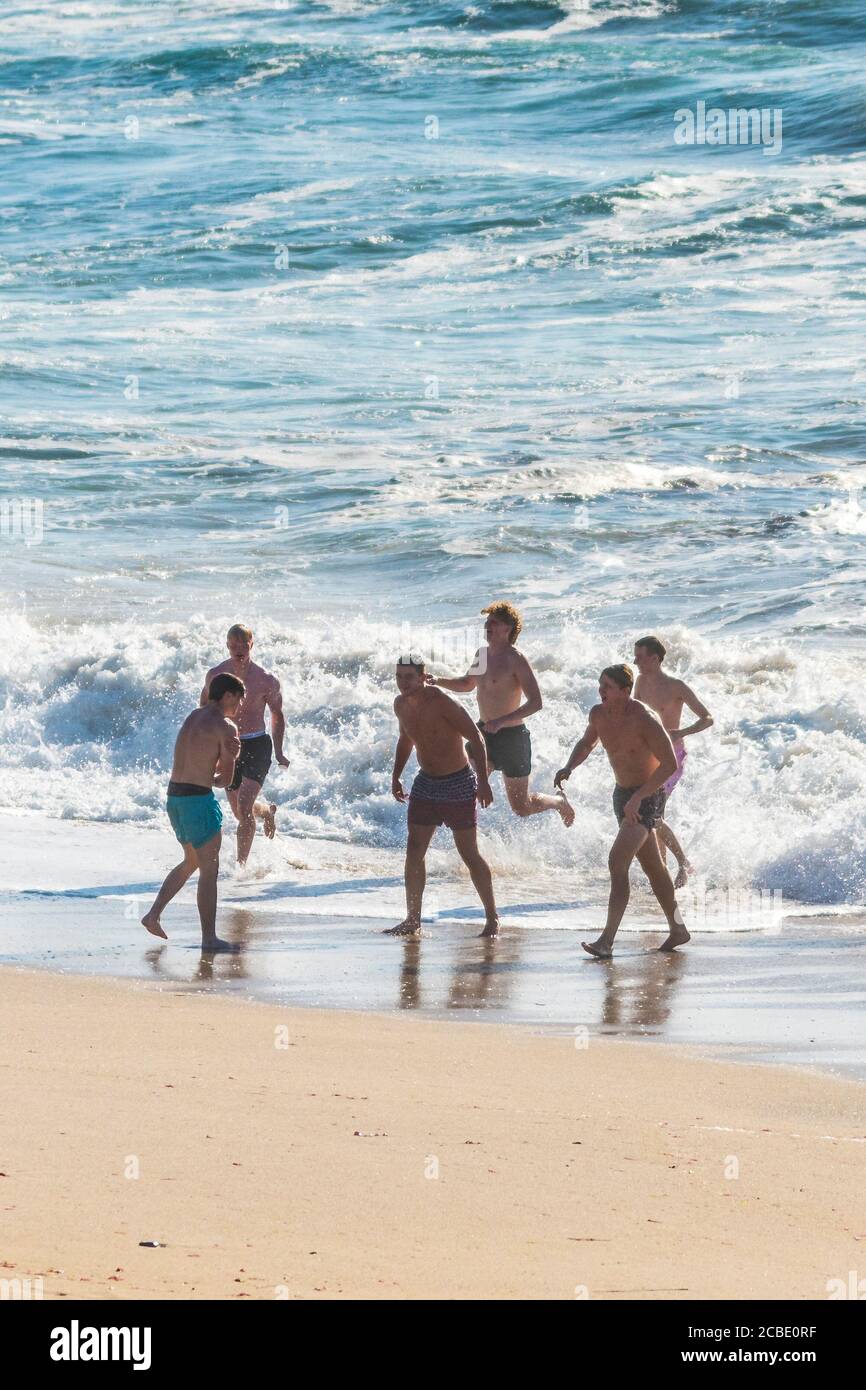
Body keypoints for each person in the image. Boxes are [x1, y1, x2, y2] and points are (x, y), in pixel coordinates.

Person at [554, 664, 690, 958]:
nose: (601, 691)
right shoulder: (598, 714)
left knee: (617, 862)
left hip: (648, 795)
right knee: (655, 868)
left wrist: (639, 798)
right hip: (622, 796)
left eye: (607, 687)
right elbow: (587, 742)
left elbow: (669, 764)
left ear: (625, 691)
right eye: (600, 685)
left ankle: (606, 941)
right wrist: (569, 766)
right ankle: (678, 929)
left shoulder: (644, 719)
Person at [428, 601, 574, 826]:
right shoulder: (482, 655)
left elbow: (536, 702)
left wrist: (501, 721)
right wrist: (438, 681)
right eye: (487, 622)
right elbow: (468, 684)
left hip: (512, 739)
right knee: (466, 785)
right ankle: (466, 836)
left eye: (493, 623)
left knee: (522, 807)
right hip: (483, 734)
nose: (487, 626)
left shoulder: (515, 659)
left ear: (508, 628)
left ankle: (558, 802)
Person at [389, 654, 499, 938]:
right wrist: (396, 775)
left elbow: (476, 737)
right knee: (414, 851)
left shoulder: (441, 702)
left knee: (469, 853)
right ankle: (413, 919)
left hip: (458, 782)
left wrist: (483, 783)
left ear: (423, 676)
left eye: (409, 677)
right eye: (399, 677)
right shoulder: (400, 705)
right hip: (426, 783)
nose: (404, 683)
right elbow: (406, 739)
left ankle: (492, 918)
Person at [142, 673, 244, 950]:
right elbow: (225, 780)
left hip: (174, 797)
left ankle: (153, 915)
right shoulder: (226, 727)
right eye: (239, 699)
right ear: (228, 696)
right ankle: (209, 938)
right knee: (209, 871)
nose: (239, 706)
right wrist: (232, 757)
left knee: (191, 861)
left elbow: (197, 760)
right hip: (198, 801)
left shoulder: (193, 716)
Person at [201, 624, 289, 865]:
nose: (239, 649)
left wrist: (279, 751)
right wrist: (207, 747)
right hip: (229, 744)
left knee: (244, 804)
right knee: (241, 813)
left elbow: (277, 714)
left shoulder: (266, 679)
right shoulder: (216, 676)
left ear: (252, 644)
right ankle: (267, 812)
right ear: (227, 645)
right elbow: (205, 710)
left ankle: (241, 867)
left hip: (257, 744)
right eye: (234, 644)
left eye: (244, 644)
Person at [633, 635, 713, 886]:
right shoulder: (639, 682)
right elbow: (634, 715)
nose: (635, 661)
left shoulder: (676, 686)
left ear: (655, 658)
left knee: (653, 815)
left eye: (639, 657)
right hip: (647, 756)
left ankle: (683, 864)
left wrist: (680, 733)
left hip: (671, 756)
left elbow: (707, 717)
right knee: (655, 815)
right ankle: (664, 873)